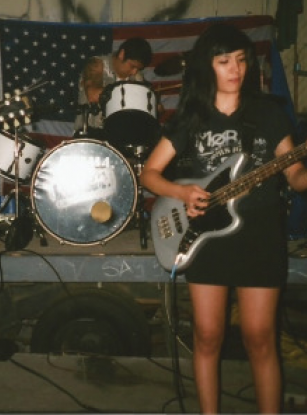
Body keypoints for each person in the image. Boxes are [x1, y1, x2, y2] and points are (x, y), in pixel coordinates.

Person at [140, 23, 307, 414]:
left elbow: (295, 176)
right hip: (206, 239)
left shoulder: (268, 114)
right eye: (224, 61)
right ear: (207, 66)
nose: (236, 69)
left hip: (260, 237)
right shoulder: (191, 118)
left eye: (242, 60)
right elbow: (149, 174)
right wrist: (182, 192)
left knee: (260, 339)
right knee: (207, 336)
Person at [74, 37, 153, 138]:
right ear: (122, 54)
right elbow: (92, 95)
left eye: (138, 69)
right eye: (132, 66)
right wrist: (129, 92)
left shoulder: (137, 77)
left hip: (120, 136)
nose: (134, 72)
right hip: (89, 133)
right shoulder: (97, 64)